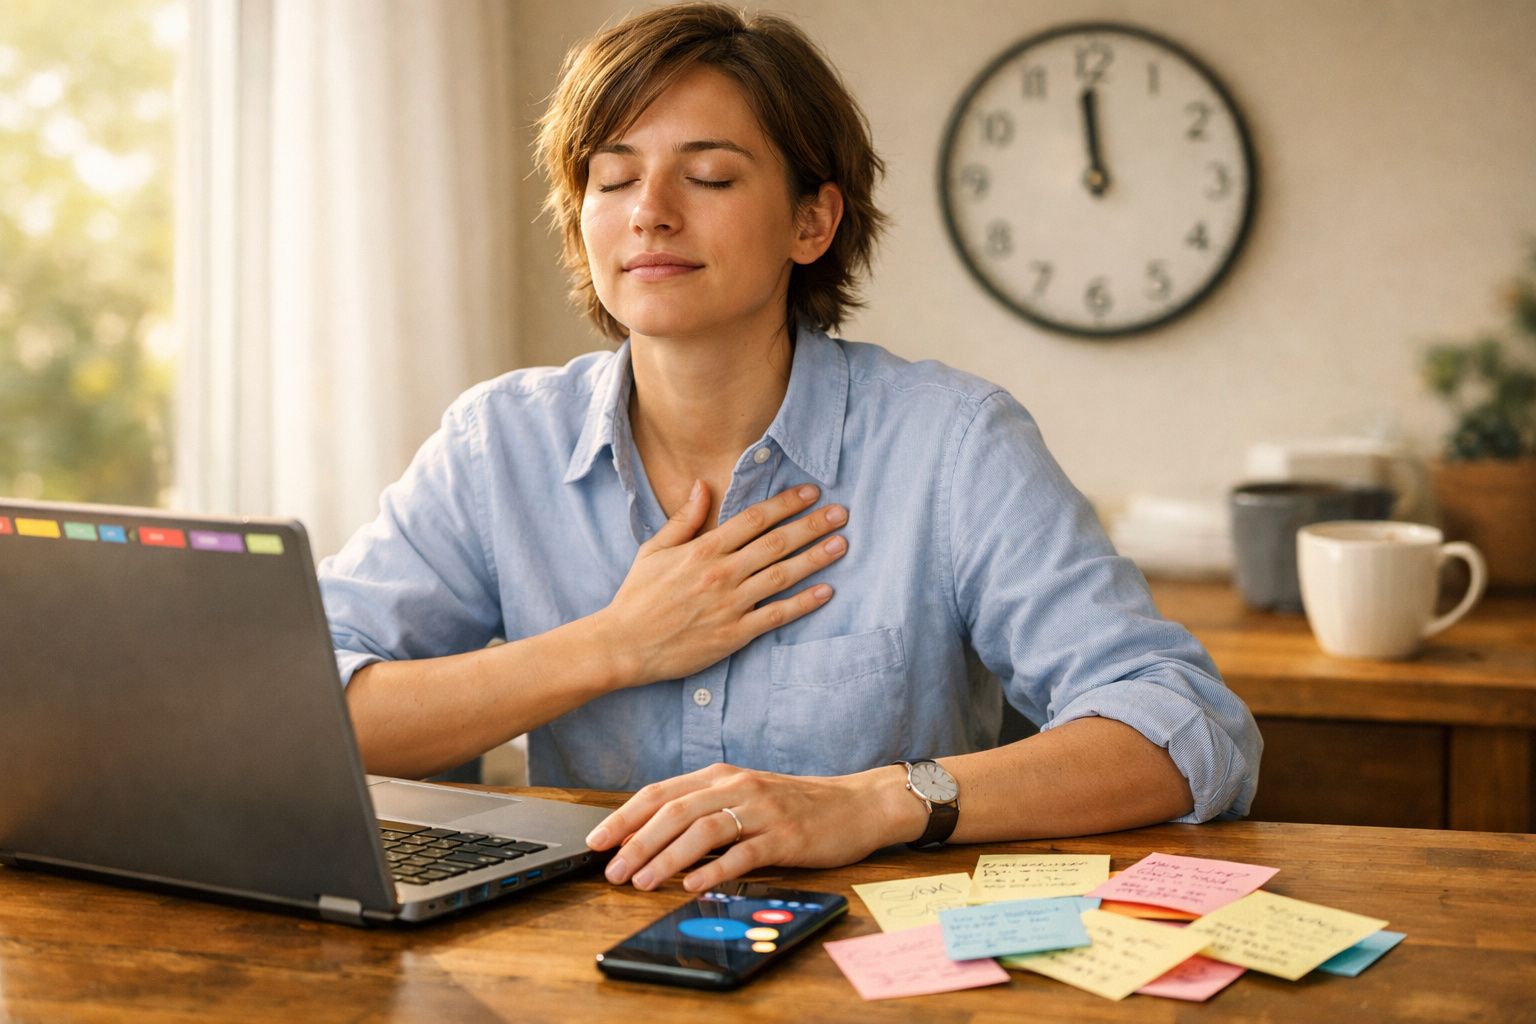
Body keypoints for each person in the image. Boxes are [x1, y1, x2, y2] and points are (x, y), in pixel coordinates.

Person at [318, 2, 1261, 895]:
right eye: (612, 178)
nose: (649, 210)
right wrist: (613, 645)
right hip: (573, 964)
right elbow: (311, 707)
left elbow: (1185, 726)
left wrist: (871, 803)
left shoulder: (952, 442)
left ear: (812, 220)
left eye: (711, 175)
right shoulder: (499, 444)